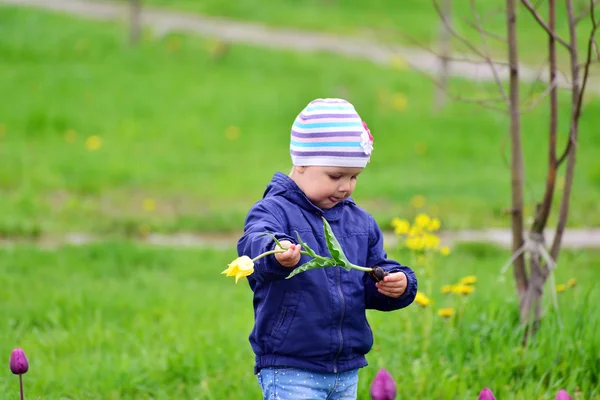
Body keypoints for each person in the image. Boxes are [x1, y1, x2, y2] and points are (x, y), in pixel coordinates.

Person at [237, 98, 417, 399]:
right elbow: (255, 241)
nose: (345, 186)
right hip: (292, 366)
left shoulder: (360, 222)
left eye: (354, 177)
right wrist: (277, 253)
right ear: (302, 162)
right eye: (336, 176)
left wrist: (397, 283)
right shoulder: (274, 211)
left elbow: (368, 279)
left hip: (345, 368)